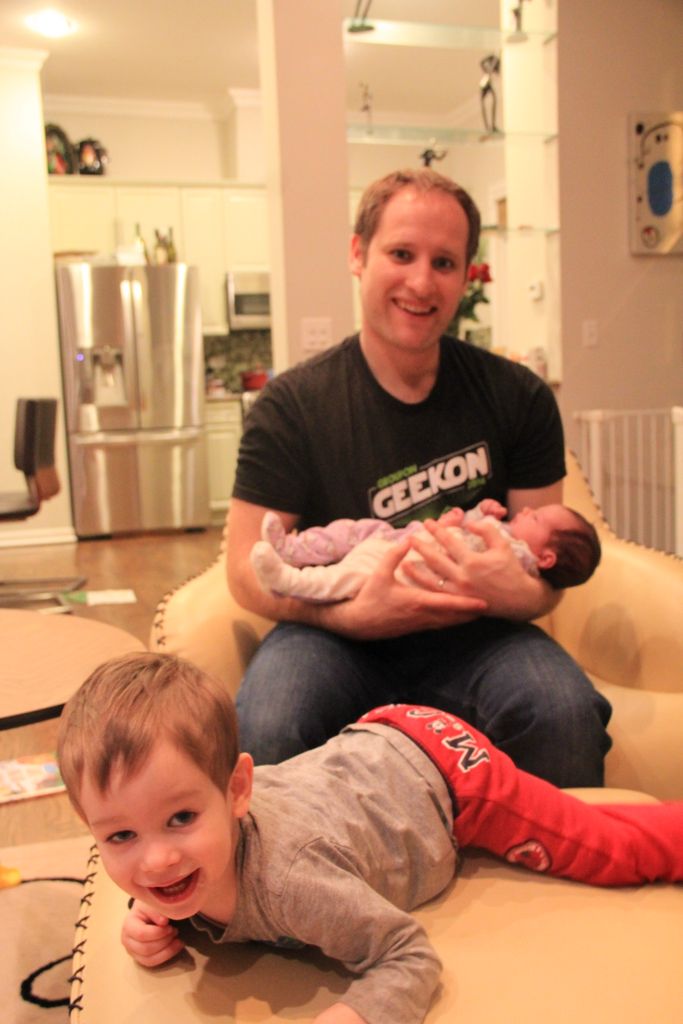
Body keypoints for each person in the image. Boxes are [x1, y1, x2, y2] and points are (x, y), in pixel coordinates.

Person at [227, 166, 612, 784]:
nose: (421, 282)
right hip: (332, 634)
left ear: (466, 276)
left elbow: (546, 573)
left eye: (444, 262)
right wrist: (352, 616)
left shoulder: (520, 397)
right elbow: (244, 571)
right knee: (271, 724)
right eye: (401, 254)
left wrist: (514, 594)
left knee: (564, 716)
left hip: (479, 635)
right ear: (358, 254)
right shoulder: (292, 406)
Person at [57, 653, 683, 1024]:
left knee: (607, 847)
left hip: (447, 773)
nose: (157, 860)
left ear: (236, 791)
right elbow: (162, 871)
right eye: (121, 835)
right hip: (367, 753)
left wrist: (355, 1014)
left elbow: (409, 956)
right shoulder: (178, 862)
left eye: (181, 819)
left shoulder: (292, 881)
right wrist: (152, 912)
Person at [251, 501, 601, 603]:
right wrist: (473, 515)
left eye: (536, 517)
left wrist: (469, 524)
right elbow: (467, 531)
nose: (526, 511)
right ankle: (293, 550)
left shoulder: (518, 559)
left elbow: (478, 562)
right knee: (351, 530)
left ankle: (288, 582)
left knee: (345, 578)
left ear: (545, 558)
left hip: (408, 568)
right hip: (402, 537)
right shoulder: (506, 531)